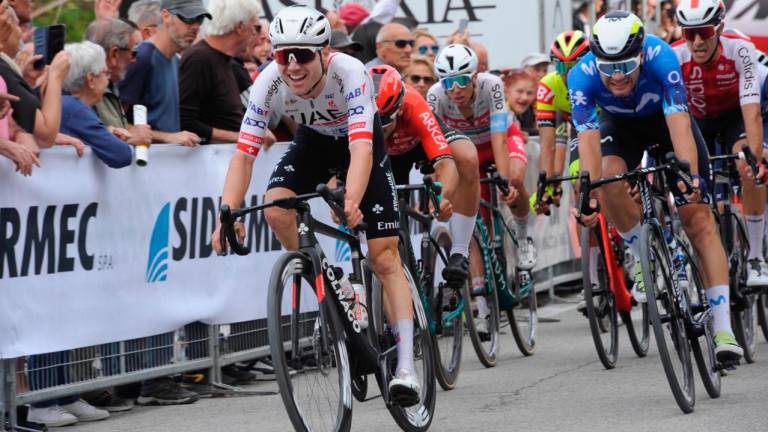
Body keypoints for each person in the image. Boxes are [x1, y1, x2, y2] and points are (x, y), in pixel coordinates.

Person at [211, 5, 422, 403]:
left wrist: (352, 200)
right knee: (275, 209)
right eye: (282, 54)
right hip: (314, 141)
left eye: (303, 54)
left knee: (384, 257)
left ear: (325, 52)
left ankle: (407, 367)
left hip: (360, 143)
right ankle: (333, 282)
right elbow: (243, 155)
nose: (292, 65)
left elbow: (360, 149)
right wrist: (226, 211)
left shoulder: (351, 73)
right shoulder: (267, 83)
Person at [568, 11, 743, 362]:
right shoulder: (581, 76)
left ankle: (724, 330)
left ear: (641, 54)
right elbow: (588, 140)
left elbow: (679, 122)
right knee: (606, 178)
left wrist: (689, 177)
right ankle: (644, 252)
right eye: (609, 68)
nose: (617, 76)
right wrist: (589, 195)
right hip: (619, 125)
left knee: (698, 219)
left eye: (626, 66)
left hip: (665, 121)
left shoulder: (661, 57)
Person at [429, 44, 537, 334]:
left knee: (514, 178)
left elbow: (500, 135)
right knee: (472, 220)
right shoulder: (435, 96)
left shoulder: (493, 85)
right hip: (466, 153)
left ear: (475, 76)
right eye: (448, 82)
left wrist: (502, 179)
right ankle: (482, 306)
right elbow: (436, 148)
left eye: (462, 80)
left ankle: (524, 237)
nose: (455, 89)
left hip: (496, 142)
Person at [672, 0, 768, 286]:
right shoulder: (675, 57)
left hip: (733, 117)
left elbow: (751, 108)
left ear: (720, 28)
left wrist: (756, 159)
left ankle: (755, 256)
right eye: (689, 34)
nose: (697, 41)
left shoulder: (740, 50)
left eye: (704, 32)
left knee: (748, 164)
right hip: (696, 121)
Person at [370, 63, 480, 299]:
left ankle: (460, 252)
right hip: (387, 156)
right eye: (374, 124)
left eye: (384, 123)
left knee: (466, 157)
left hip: (420, 144)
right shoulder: (355, 105)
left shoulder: (413, 104)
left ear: (398, 110)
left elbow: (445, 163)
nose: (380, 130)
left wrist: (442, 197)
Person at [118, 0, 207, 145]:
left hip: (168, 161)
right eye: (188, 18)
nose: (195, 26)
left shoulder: (176, 61)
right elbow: (115, 122)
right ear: (166, 16)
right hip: (142, 161)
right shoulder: (142, 57)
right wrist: (167, 137)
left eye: (200, 19)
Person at [179, 0, 262, 144]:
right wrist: (242, 138)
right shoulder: (199, 59)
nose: (257, 38)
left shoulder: (226, 60)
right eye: (255, 28)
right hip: (208, 162)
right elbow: (185, 121)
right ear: (240, 27)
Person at [0, 5, 68, 148]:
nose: (22, 35)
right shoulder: (3, 70)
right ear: (5, 27)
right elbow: (46, 135)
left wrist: (25, 80)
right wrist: (55, 77)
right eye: (18, 25)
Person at [59, 41, 133, 168]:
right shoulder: (75, 109)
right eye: (105, 74)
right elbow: (122, 155)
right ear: (91, 79)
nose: (107, 80)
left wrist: (106, 133)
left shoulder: (64, 103)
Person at [86, 18, 152, 149]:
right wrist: (130, 138)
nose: (134, 60)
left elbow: (112, 128)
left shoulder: (110, 84)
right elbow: (88, 140)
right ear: (114, 54)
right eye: (134, 53)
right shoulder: (86, 89)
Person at [536, 30, 591, 186]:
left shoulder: (600, 78)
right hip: (580, 130)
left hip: (611, 125)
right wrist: (546, 185)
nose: (568, 74)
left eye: (575, 66)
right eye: (561, 67)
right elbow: (548, 142)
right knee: (579, 180)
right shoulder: (548, 86)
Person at [503, 69, 537, 136]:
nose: (525, 97)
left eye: (529, 93)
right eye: (519, 91)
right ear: (506, 90)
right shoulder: (501, 115)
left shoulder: (512, 116)